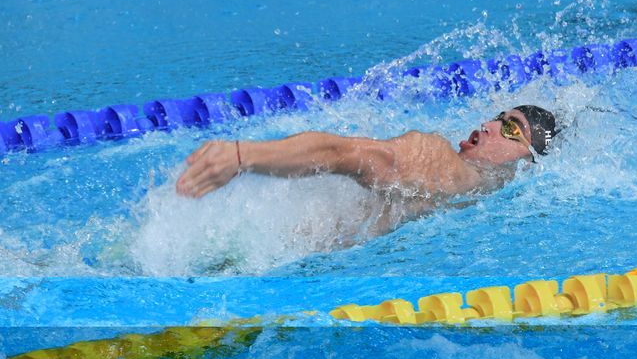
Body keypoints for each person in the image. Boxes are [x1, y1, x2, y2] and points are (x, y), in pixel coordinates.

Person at [176, 106, 558, 211]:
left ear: (529, 160)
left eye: (511, 129)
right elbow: (342, 154)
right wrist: (242, 155)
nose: (489, 125)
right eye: (498, 118)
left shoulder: (484, 192)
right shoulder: (437, 158)